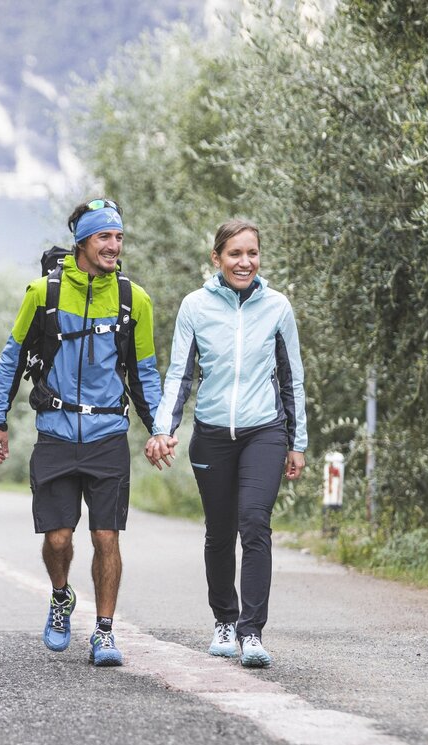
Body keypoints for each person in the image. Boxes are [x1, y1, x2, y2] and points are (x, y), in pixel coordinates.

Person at [0, 198, 162, 667]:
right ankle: (61, 596)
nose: (114, 245)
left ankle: (104, 631)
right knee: (58, 538)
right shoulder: (42, 293)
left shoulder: (133, 299)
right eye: (105, 236)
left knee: (107, 538)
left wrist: (159, 428)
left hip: (108, 434)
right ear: (83, 240)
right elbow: (13, 357)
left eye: (119, 237)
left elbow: (145, 371)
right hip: (56, 434)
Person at [144, 219, 307, 669]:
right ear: (217, 258)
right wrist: (164, 428)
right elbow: (179, 374)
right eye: (235, 254)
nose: (245, 262)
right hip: (213, 434)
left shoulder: (277, 307)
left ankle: (251, 631)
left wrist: (298, 441)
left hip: (264, 431)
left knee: (254, 523)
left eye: (252, 253)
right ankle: (224, 620)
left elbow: (292, 379)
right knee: (220, 532)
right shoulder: (195, 306)